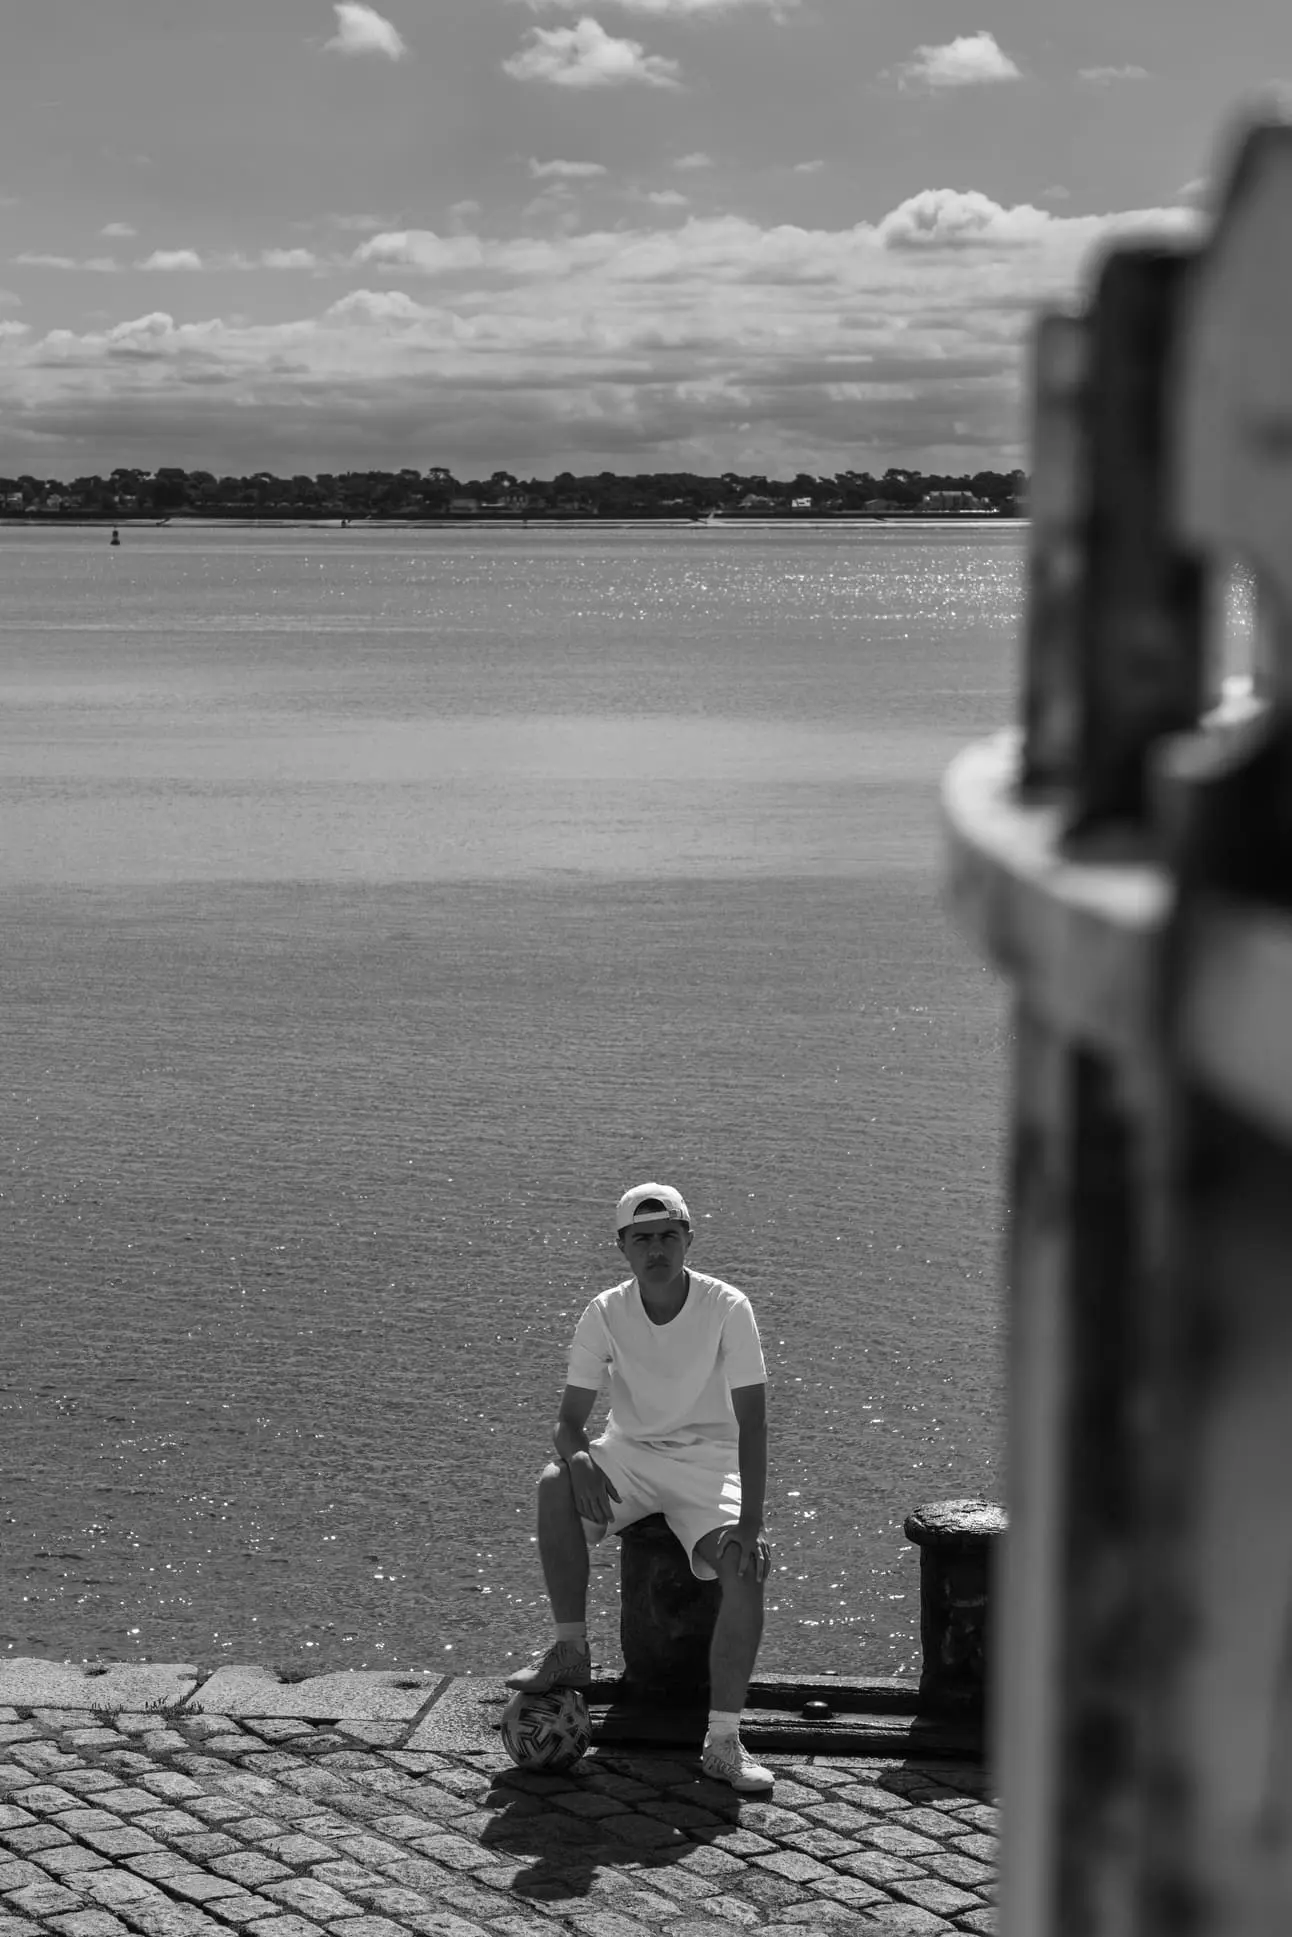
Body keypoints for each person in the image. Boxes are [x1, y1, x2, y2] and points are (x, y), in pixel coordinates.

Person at [506, 1181, 774, 1792]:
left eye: (668, 1236)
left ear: (688, 1240)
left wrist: (752, 1522)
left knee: (745, 1568)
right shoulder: (605, 1311)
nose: (657, 1249)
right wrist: (576, 1460)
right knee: (552, 1484)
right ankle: (571, 1650)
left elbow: (754, 1421)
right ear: (622, 1246)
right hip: (629, 1454)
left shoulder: (727, 1306)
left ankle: (724, 1740)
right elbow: (567, 1422)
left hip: (709, 1465)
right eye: (643, 1238)